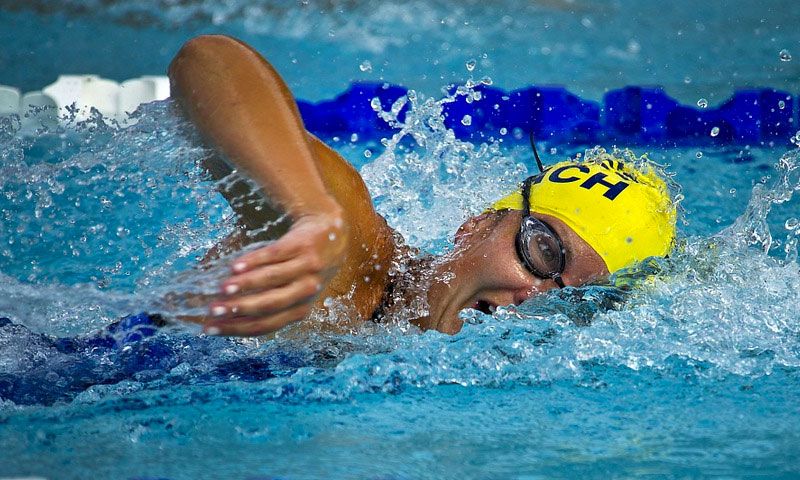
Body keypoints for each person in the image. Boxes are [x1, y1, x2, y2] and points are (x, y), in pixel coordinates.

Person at [167, 34, 677, 337]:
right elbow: (209, 61)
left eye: (575, 300)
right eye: (543, 252)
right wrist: (310, 212)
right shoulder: (351, 260)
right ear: (477, 224)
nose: (533, 296)